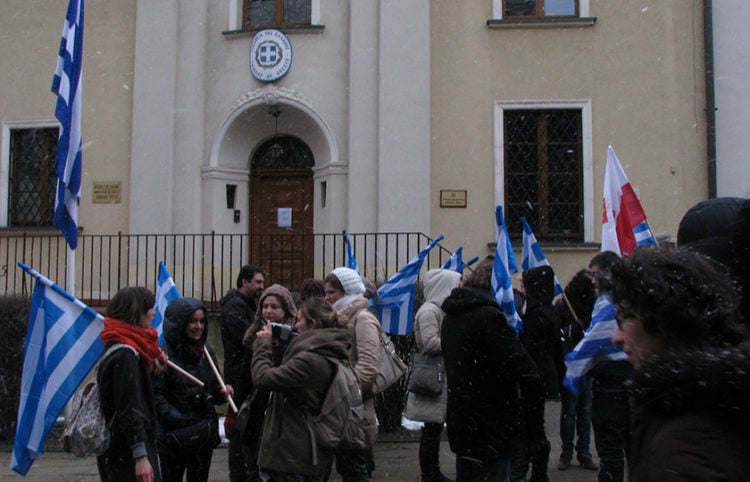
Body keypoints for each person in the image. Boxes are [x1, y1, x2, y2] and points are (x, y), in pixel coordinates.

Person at [610, 247, 750, 480]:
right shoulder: (719, 399)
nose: (616, 337)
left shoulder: (682, 448)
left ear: (668, 320)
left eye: (627, 316)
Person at [441, 257, 543, 482]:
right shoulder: (489, 318)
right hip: (490, 426)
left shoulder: (452, 316)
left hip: (463, 422)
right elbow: (523, 367)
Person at [251, 297, 352, 481]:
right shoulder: (326, 351)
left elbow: (262, 378)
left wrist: (262, 345)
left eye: (299, 320)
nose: (295, 326)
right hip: (305, 453)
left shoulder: (309, 360)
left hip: (295, 455)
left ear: (312, 324)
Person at [564, 251, 632, 482]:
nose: (591, 280)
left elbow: (596, 341)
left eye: (594, 274)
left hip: (612, 387)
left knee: (612, 451)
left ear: (607, 272)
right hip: (623, 385)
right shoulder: (624, 298)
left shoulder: (611, 303)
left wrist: (577, 362)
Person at [153, 298, 231, 482]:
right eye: (193, 321)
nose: (199, 326)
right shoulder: (164, 356)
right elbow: (157, 397)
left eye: (202, 321)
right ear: (180, 323)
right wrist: (181, 421)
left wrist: (222, 393)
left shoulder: (206, 353)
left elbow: (212, 388)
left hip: (202, 435)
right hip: (174, 437)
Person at [97, 287, 168, 482]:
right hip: (128, 451)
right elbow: (130, 408)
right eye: (150, 308)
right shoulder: (126, 355)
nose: (154, 313)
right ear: (137, 313)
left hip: (119, 449)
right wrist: (141, 455)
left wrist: (151, 371)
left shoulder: (117, 345)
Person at [404, 268, 461, 482]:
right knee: (431, 429)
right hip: (433, 373)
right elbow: (429, 343)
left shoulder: (437, 309)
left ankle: (432, 471)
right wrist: (455, 340)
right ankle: (430, 472)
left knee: (434, 428)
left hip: (440, 372)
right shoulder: (430, 311)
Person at [324, 267, 380, 482]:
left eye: (332, 293)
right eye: (326, 292)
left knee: (356, 470)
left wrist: (340, 392)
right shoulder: (337, 317)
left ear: (347, 292)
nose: (327, 297)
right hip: (339, 412)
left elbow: (367, 368)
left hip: (355, 413)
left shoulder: (362, 319)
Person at [239, 284, 298, 481]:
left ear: (286, 309)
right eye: (265, 306)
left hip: (283, 411)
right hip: (257, 407)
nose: (268, 311)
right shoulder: (253, 334)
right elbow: (246, 375)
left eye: (274, 307)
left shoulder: (295, 337)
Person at [511, 265, 560, 482]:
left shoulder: (537, 316)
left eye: (525, 285)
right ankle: (537, 469)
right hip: (541, 377)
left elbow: (529, 349)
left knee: (530, 426)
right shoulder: (548, 311)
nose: (522, 290)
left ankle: (529, 469)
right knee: (534, 425)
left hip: (533, 379)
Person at [220, 264, 265, 482]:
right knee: (240, 425)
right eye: (257, 282)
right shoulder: (234, 307)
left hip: (244, 373)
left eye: (263, 283)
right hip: (239, 376)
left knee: (247, 425)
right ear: (244, 282)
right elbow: (245, 339)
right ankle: (239, 472)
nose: (261, 287)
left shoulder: (246, 305)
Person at [554, 269, 598, 472]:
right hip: (571, 365)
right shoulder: (564, 306)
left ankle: (584, 452)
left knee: (585, 411)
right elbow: (558, 335)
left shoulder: (593, 307)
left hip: (588, 365)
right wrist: (572, 329)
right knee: (570, 412)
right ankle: (567, 452)